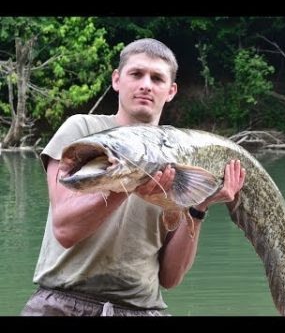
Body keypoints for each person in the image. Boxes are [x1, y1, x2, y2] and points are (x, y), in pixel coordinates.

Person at [21, 38, 246, 316]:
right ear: (117, 80)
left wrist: (199, 207)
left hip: (141, 309)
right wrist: (128, 183)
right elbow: (65, 230)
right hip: (62, 303)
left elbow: (170, 278)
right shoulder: (82, 132)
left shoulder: (183, 157)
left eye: (157, 78)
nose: (146, 85)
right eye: (136, 74)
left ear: (171, 90)